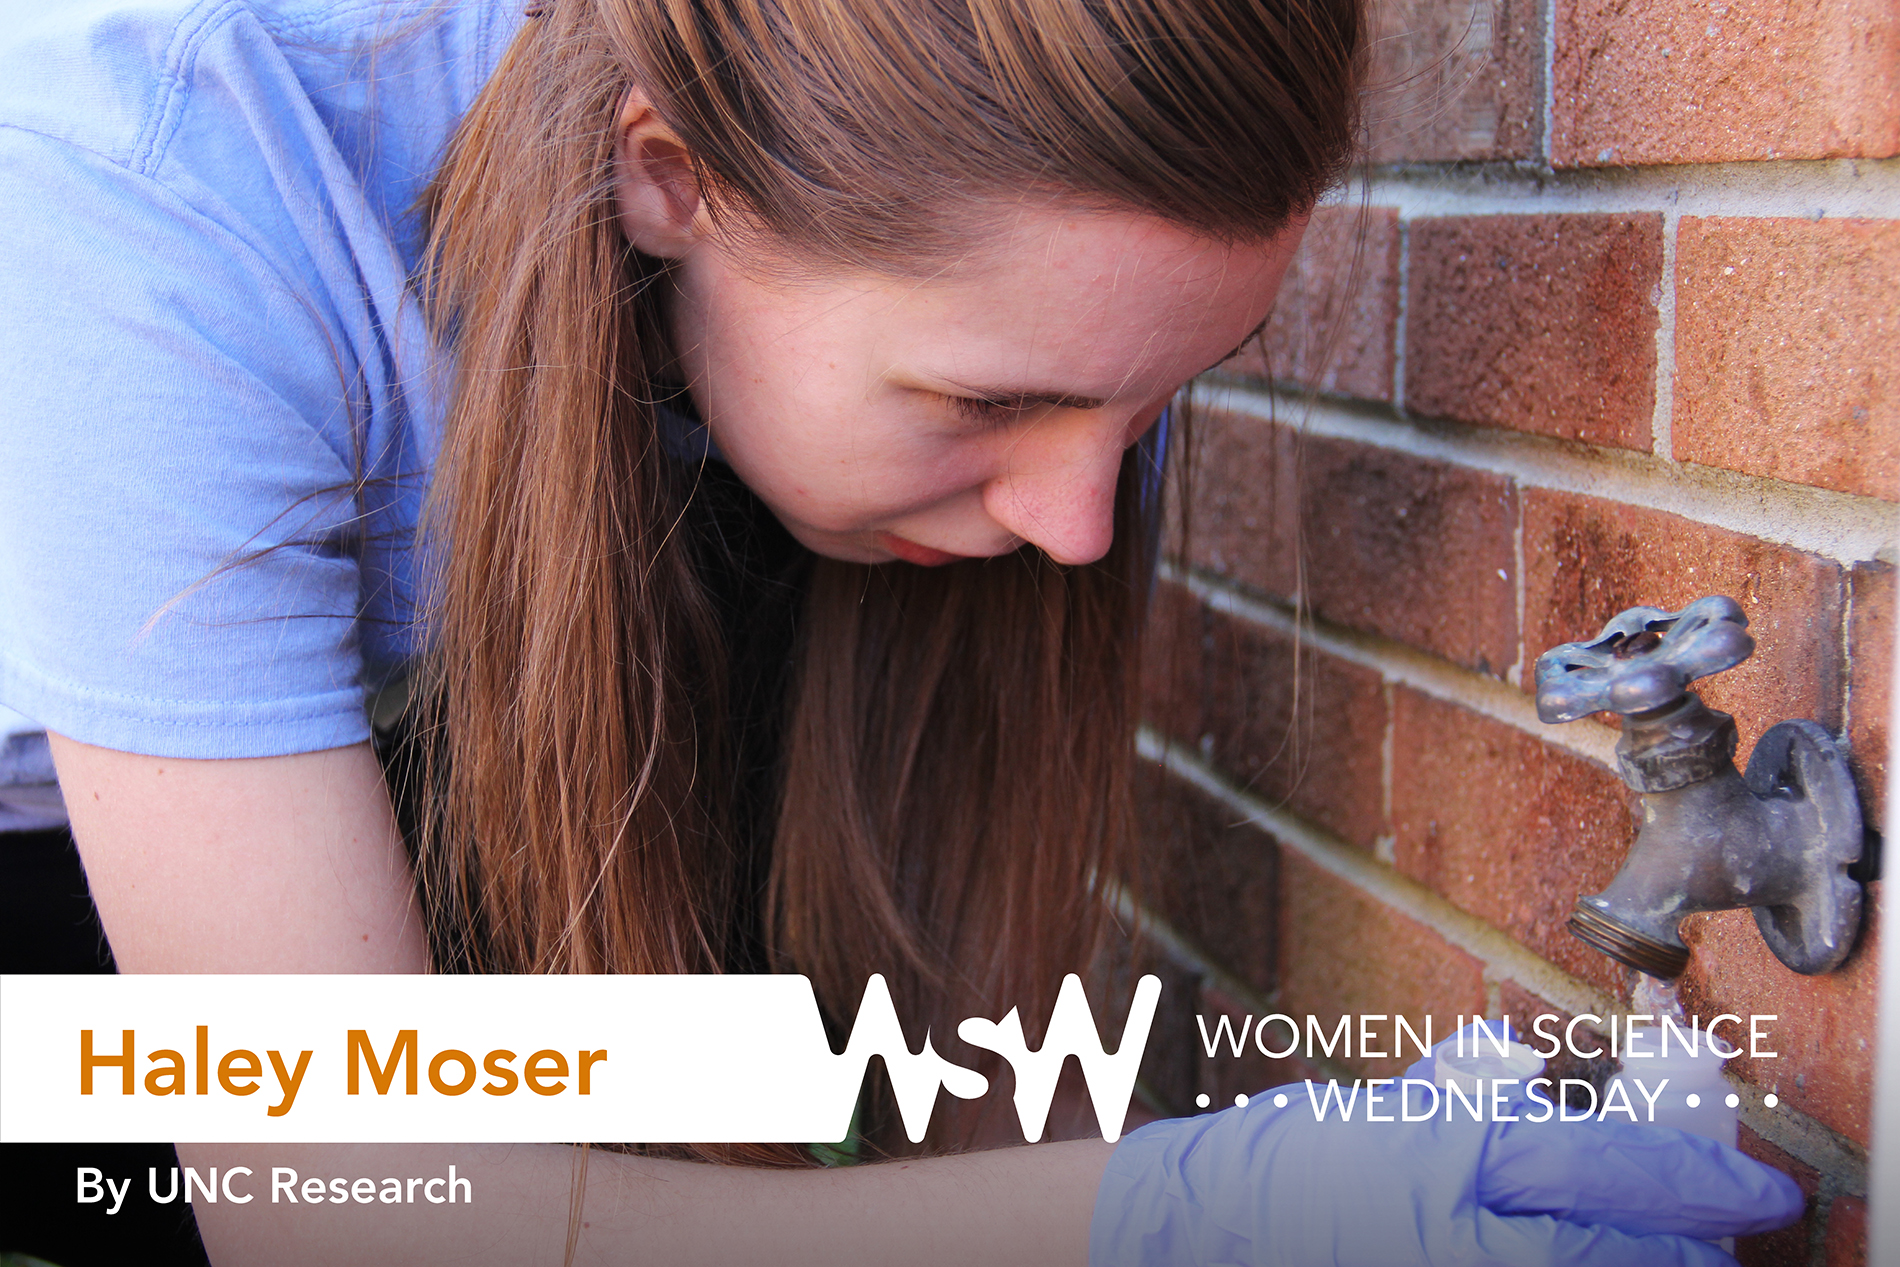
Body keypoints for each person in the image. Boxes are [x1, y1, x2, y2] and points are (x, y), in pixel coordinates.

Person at [0, 0, 1803, 1263]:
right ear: (668, 174)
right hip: (51, 891)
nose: (1081, 521)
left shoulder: (966, 330)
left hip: (424, 675)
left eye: (1150, 401)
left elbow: (931, 1115)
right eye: (989, 399)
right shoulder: (145, 185)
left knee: (747, 1103)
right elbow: (360, 1220)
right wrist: (1189, 1219)